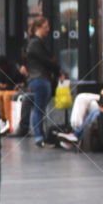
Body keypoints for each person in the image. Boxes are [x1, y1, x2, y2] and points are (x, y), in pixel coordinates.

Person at [23, 16, 60, 147]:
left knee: (38, 108)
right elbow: (45, 61)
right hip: (40, 79)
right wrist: (56, 68)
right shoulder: (35, 43)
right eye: (46, 27)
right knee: (39, 109)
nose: (48, 29)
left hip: (38, 79)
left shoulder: (34, 43)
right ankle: (40, 137)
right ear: (39, 28)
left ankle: (40, 136)